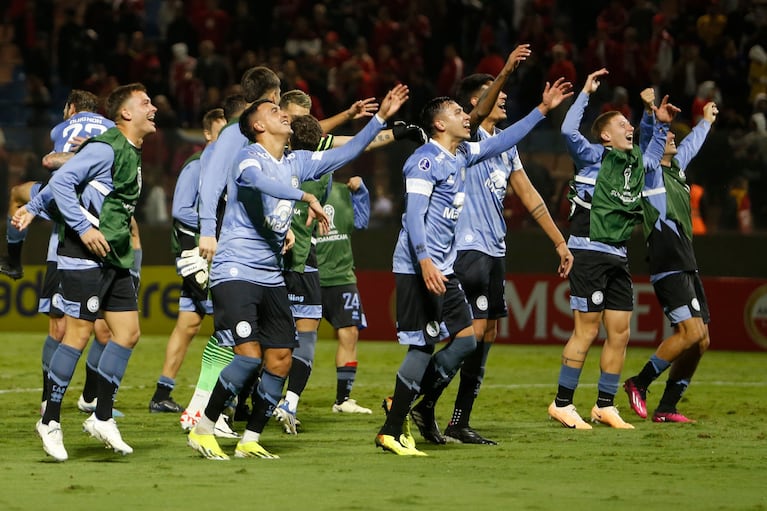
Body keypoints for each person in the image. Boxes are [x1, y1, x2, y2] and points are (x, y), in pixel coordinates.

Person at [186, 84, 410, 460]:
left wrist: (381, 119)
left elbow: (350, 151)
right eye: (274, 111)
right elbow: (260, 183)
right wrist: (304, 196)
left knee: (281, 358)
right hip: (236, 270)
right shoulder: (248, 158)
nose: (283, 113)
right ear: (257, 125)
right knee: (247, 357)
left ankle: (250, 439)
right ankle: (204, 427)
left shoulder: (296, 161)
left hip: (271, 275)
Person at [376, 78, 573, 456]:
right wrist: (424, 260)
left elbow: (501, 140)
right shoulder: (424, 161)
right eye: (456, 112)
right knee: (423, 346)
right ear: (439, 124)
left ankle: (406, 411)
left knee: (466, 339)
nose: (464, 117)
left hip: (443, 267)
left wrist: (542, 110)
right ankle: (393, 426)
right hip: (421, 267)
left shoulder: (462, 155)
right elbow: (413, 217)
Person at [15, 83, 157, 461]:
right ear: (125, 114)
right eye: (145, 103)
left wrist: (32, 208)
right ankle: (51, 421)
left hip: (114, 256)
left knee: (127, 334)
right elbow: (61, 180)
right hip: (83, 254)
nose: (154, 107)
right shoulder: (105, 147)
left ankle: (102, 417)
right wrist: (83, 227)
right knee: (76, 335)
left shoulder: (131, 149)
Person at [271, 89, 425, 433]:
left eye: (301, 121)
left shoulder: (299, 151)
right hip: (271, 259)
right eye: (291, 118)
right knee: (265, 338)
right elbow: (353, 142)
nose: (294, 125)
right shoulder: (270, 152)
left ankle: (281, 403)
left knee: (300, 338)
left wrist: (391, 129)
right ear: (278, 116)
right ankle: (248, 404)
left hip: (301, 260)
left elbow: (358, 143)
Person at [437, 68, 573, 445]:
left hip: (494, 248)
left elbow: (529, 196)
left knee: (488, 333)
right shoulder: (468, 137)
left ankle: (458, 420)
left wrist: (559, 242)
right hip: (467, 248)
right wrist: (510, 68)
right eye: (494, 93)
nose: (503, 98)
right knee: (473, 333)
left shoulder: (505, 145)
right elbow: (477, 113)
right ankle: (417, 399)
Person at [547, 69, 676, 430]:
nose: (628, 127)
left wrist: (659, 122)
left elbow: (652, 156)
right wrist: (586, 91)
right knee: (586, 331)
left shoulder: (633, 164)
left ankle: (605, 404)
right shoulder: (591, 157)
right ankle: (562, 403)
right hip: (587, 251)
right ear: (606, 135)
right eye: (622, 123)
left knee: (620, 331)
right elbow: (568, 131)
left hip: (617, 254)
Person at [623, 91, 717, 423]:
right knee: (689, 333)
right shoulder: (650, 174)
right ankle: (639, 382)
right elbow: (651, 137)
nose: (673, 136)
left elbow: (691, 144)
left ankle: (667, 408)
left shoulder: (675, 169)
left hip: (686, 262)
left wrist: (705, 120)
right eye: (668, 134)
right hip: (667, 262)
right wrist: (652, 116)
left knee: (701, 340)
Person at [148, 107, 226, 414]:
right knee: (228, 321)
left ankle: (161, 393)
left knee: (189, 324)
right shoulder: (196, 166)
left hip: (207, 250)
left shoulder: (222, 167)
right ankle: (221, 399)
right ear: (207, 134)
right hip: (197, 252)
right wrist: (213, 227)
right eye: (220, 134)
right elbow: (180, 210)